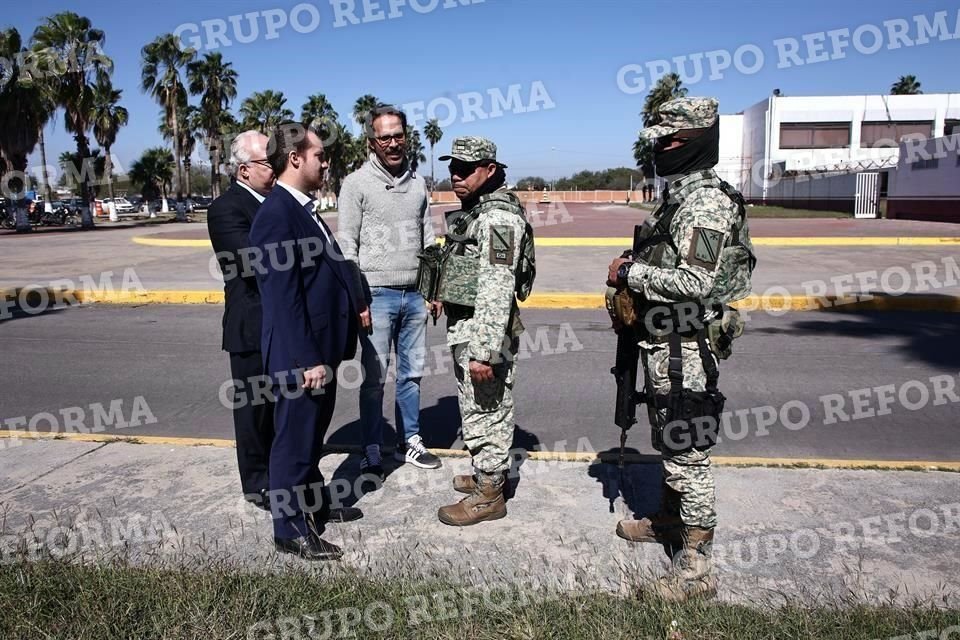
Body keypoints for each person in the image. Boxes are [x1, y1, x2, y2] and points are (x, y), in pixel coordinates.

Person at [607, 97, 755, 601]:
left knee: (686, 452)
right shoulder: (678, 197)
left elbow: (695, 280)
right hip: (663, 344)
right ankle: (670, 523)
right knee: (670, 444)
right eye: (658, 142)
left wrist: (630, 273)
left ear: (697, 142)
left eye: (671, 142)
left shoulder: (706, 202)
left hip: (687, 345)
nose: (661, 150)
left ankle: (696, 569)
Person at [249, 122, 363, 561]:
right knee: (292, 445)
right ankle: (289, 529)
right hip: (303, 358)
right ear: (295, 158)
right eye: (319, 155)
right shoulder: (277, 215)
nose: (325, 161)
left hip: (320, 352)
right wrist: (307, 359)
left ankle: (312, 507)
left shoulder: (301, 209)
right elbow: (282, 299)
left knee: (309, 440)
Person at [337, 105, 442, 479]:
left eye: (398, 135)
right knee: (374, 378)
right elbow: (346, 244)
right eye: (385, 137)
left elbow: (429, 239)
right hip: (376, 295)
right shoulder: (355, 184)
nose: (393, 143)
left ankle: (409, 440)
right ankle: (370, 448)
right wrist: (358, 298)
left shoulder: (417, 184)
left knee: (412, 374)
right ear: (372, 142)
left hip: (415, 295)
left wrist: (433, 289)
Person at [433, 137, 529, 527]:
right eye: (452, 167)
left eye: (466, 168)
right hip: (469, 324)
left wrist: (483, 351)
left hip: (484, 331)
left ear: (490, 171)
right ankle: (486, 474)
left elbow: (497, 284)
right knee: (475, 406)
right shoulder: (480, 211)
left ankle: (490, 495)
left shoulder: (497, 219)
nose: (456, 175)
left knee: (487, 409)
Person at [207, 130, 276, 510]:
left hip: (281, 323)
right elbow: (253, 262)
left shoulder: (275, 201)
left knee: (282, 408)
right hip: (250, 324)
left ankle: (280, 475)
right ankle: (257, 482)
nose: (275, 168)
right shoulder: (226, 208)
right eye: (268, 162)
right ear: (245, 169)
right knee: (255, 409)